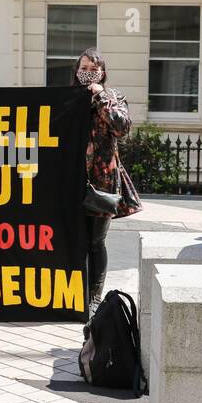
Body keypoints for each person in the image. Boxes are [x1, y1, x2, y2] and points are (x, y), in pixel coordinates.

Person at [75, 49, 141, 320]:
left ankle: (94, 297)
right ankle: (73, 294)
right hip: (72, 179)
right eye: (84, 66)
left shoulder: (112, 97)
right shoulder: (69, 99)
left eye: (94, 67)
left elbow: (122, 128)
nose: (88, 70)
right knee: (74, 240)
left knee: (95, 241)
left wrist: (100, 95)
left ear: (102, 72)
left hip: (102, 180)